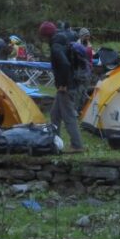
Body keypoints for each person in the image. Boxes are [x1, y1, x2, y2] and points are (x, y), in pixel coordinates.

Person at [44, 23, 84, 153]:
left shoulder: (56, 46)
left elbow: (65, 64)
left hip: (67, 86)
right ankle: (56, 141)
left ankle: (77, 145)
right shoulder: (63, 40)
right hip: (71, 82)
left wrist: (63, 85)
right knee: (54, 114)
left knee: (68, 116)